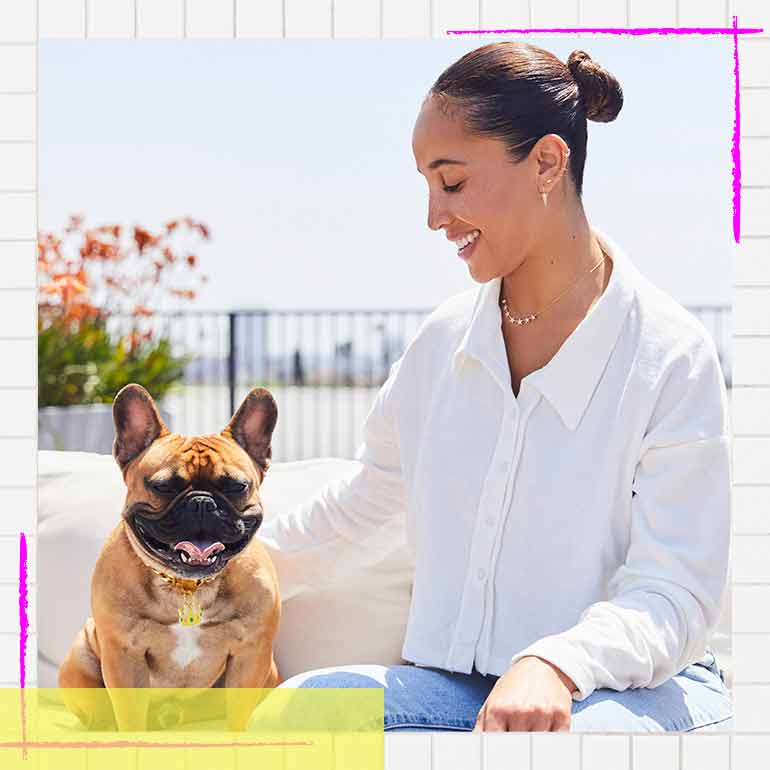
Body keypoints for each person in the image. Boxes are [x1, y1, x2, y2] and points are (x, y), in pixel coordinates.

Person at [254, 41, 733, 733]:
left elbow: (676, 592)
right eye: (426, 185)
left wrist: (555, 665)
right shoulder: (441, 344)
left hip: (625, 695)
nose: (433, 216)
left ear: (547, 162)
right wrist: (203, 566)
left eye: (450, 182)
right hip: (457, 690)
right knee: (299, 716)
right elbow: (366, 503)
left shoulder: (670, 355)